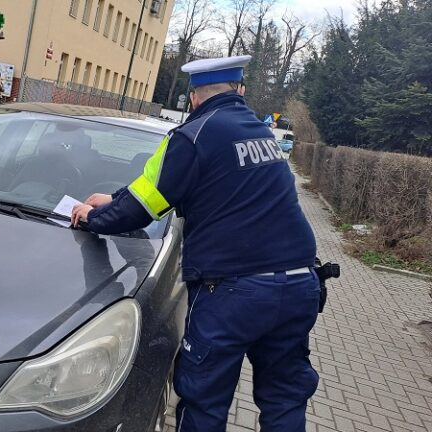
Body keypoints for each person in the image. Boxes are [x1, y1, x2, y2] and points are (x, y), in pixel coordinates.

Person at [71, 55, 320, 432]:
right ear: (239, 91)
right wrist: (116, 197)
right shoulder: (259, 131)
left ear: (193, 99)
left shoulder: (194, 135)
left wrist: (93, 217)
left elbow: (142, 206)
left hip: (235, 293)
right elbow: (162, 187)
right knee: (285, 398)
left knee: (204, 401)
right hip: (300, 285)